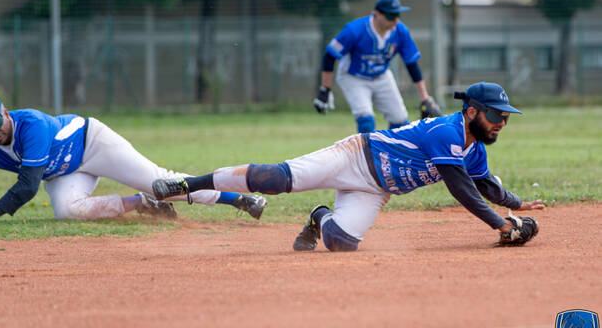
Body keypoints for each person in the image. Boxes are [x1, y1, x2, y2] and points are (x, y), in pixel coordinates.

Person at [153, 82, 545, 252]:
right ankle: (188, 183)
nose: (502, 122)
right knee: (274, 179)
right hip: (355, 156)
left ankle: (319, 216)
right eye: (496, 114)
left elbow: (484, 185)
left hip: (376, 189)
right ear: (472, 111)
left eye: (506, 116)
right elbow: (461, 190)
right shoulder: (447, 132)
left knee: (341, 243)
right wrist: (499, 224)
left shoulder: (474, 149)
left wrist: (515, 204)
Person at [0, 96, 266, 223]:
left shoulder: (32, 125)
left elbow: (26, 188)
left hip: (92, 143)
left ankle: (238, 197)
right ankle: (140, 203)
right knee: (68, 212)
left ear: (6, 114)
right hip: (63, 173)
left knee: (160, 181)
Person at [313, 0, 442, 133]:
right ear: (377, 14)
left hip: (381, 75)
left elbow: (411, 64)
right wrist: (325, 89)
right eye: (390, 16)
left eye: (397, 15)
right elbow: (330, 55)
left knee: (400, 122)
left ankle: (393, 153)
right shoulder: (355, 30)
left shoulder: (400, 31)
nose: (395, 20)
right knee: (366, 121)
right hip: (353, 76)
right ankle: (367, 154)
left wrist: (424, 97)